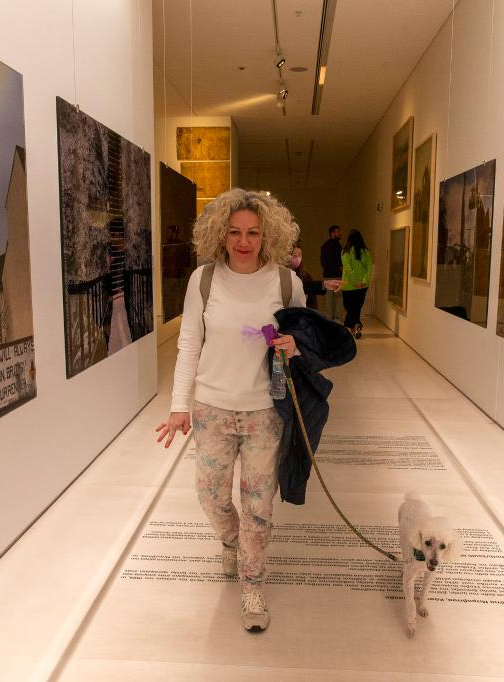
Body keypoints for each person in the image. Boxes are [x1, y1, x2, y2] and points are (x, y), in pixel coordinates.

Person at [155, 188, 305, 633]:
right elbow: (189, 343)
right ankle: (231, 540)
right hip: (212, 410)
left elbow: (306, 340)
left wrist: (295, 345)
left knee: (258, 505)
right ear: (221, 233)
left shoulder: (286, 283)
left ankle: (252, 584)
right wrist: (178, 405)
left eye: (253, 233)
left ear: (267, 235)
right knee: (211, 496)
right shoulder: (203, 280)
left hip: (265, 412)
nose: (243, 242)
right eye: (235, 232)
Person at [289, 242, 340, 310]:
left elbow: (313, 302)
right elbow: (300, 286)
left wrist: (324, 284)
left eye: (300, 255)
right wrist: (324, 284)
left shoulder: (306, 276)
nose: (298, 258)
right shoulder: (282, 275)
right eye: (295, 255)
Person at [340, 229, 372, 338]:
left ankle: (353, 326)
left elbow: (348, 269)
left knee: (350, 308)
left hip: (348, 286)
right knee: (356, 308)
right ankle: (356, 326)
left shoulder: (345, 252)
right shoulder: (365, 252)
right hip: (362, 287)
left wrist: (354, 282)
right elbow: (369, 268)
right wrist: (364, 281)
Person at [320, 225, 344, 321]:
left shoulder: (324, 246)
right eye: (338, 232)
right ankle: (337, 318)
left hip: (327, 276)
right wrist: (344, 273)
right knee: (340, 297)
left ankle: (330, 318)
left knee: (329, 298)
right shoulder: (338, 246)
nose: (340, 234)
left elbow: (322, 261)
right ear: (332, 233)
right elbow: (340, 262)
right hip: (337, 275)